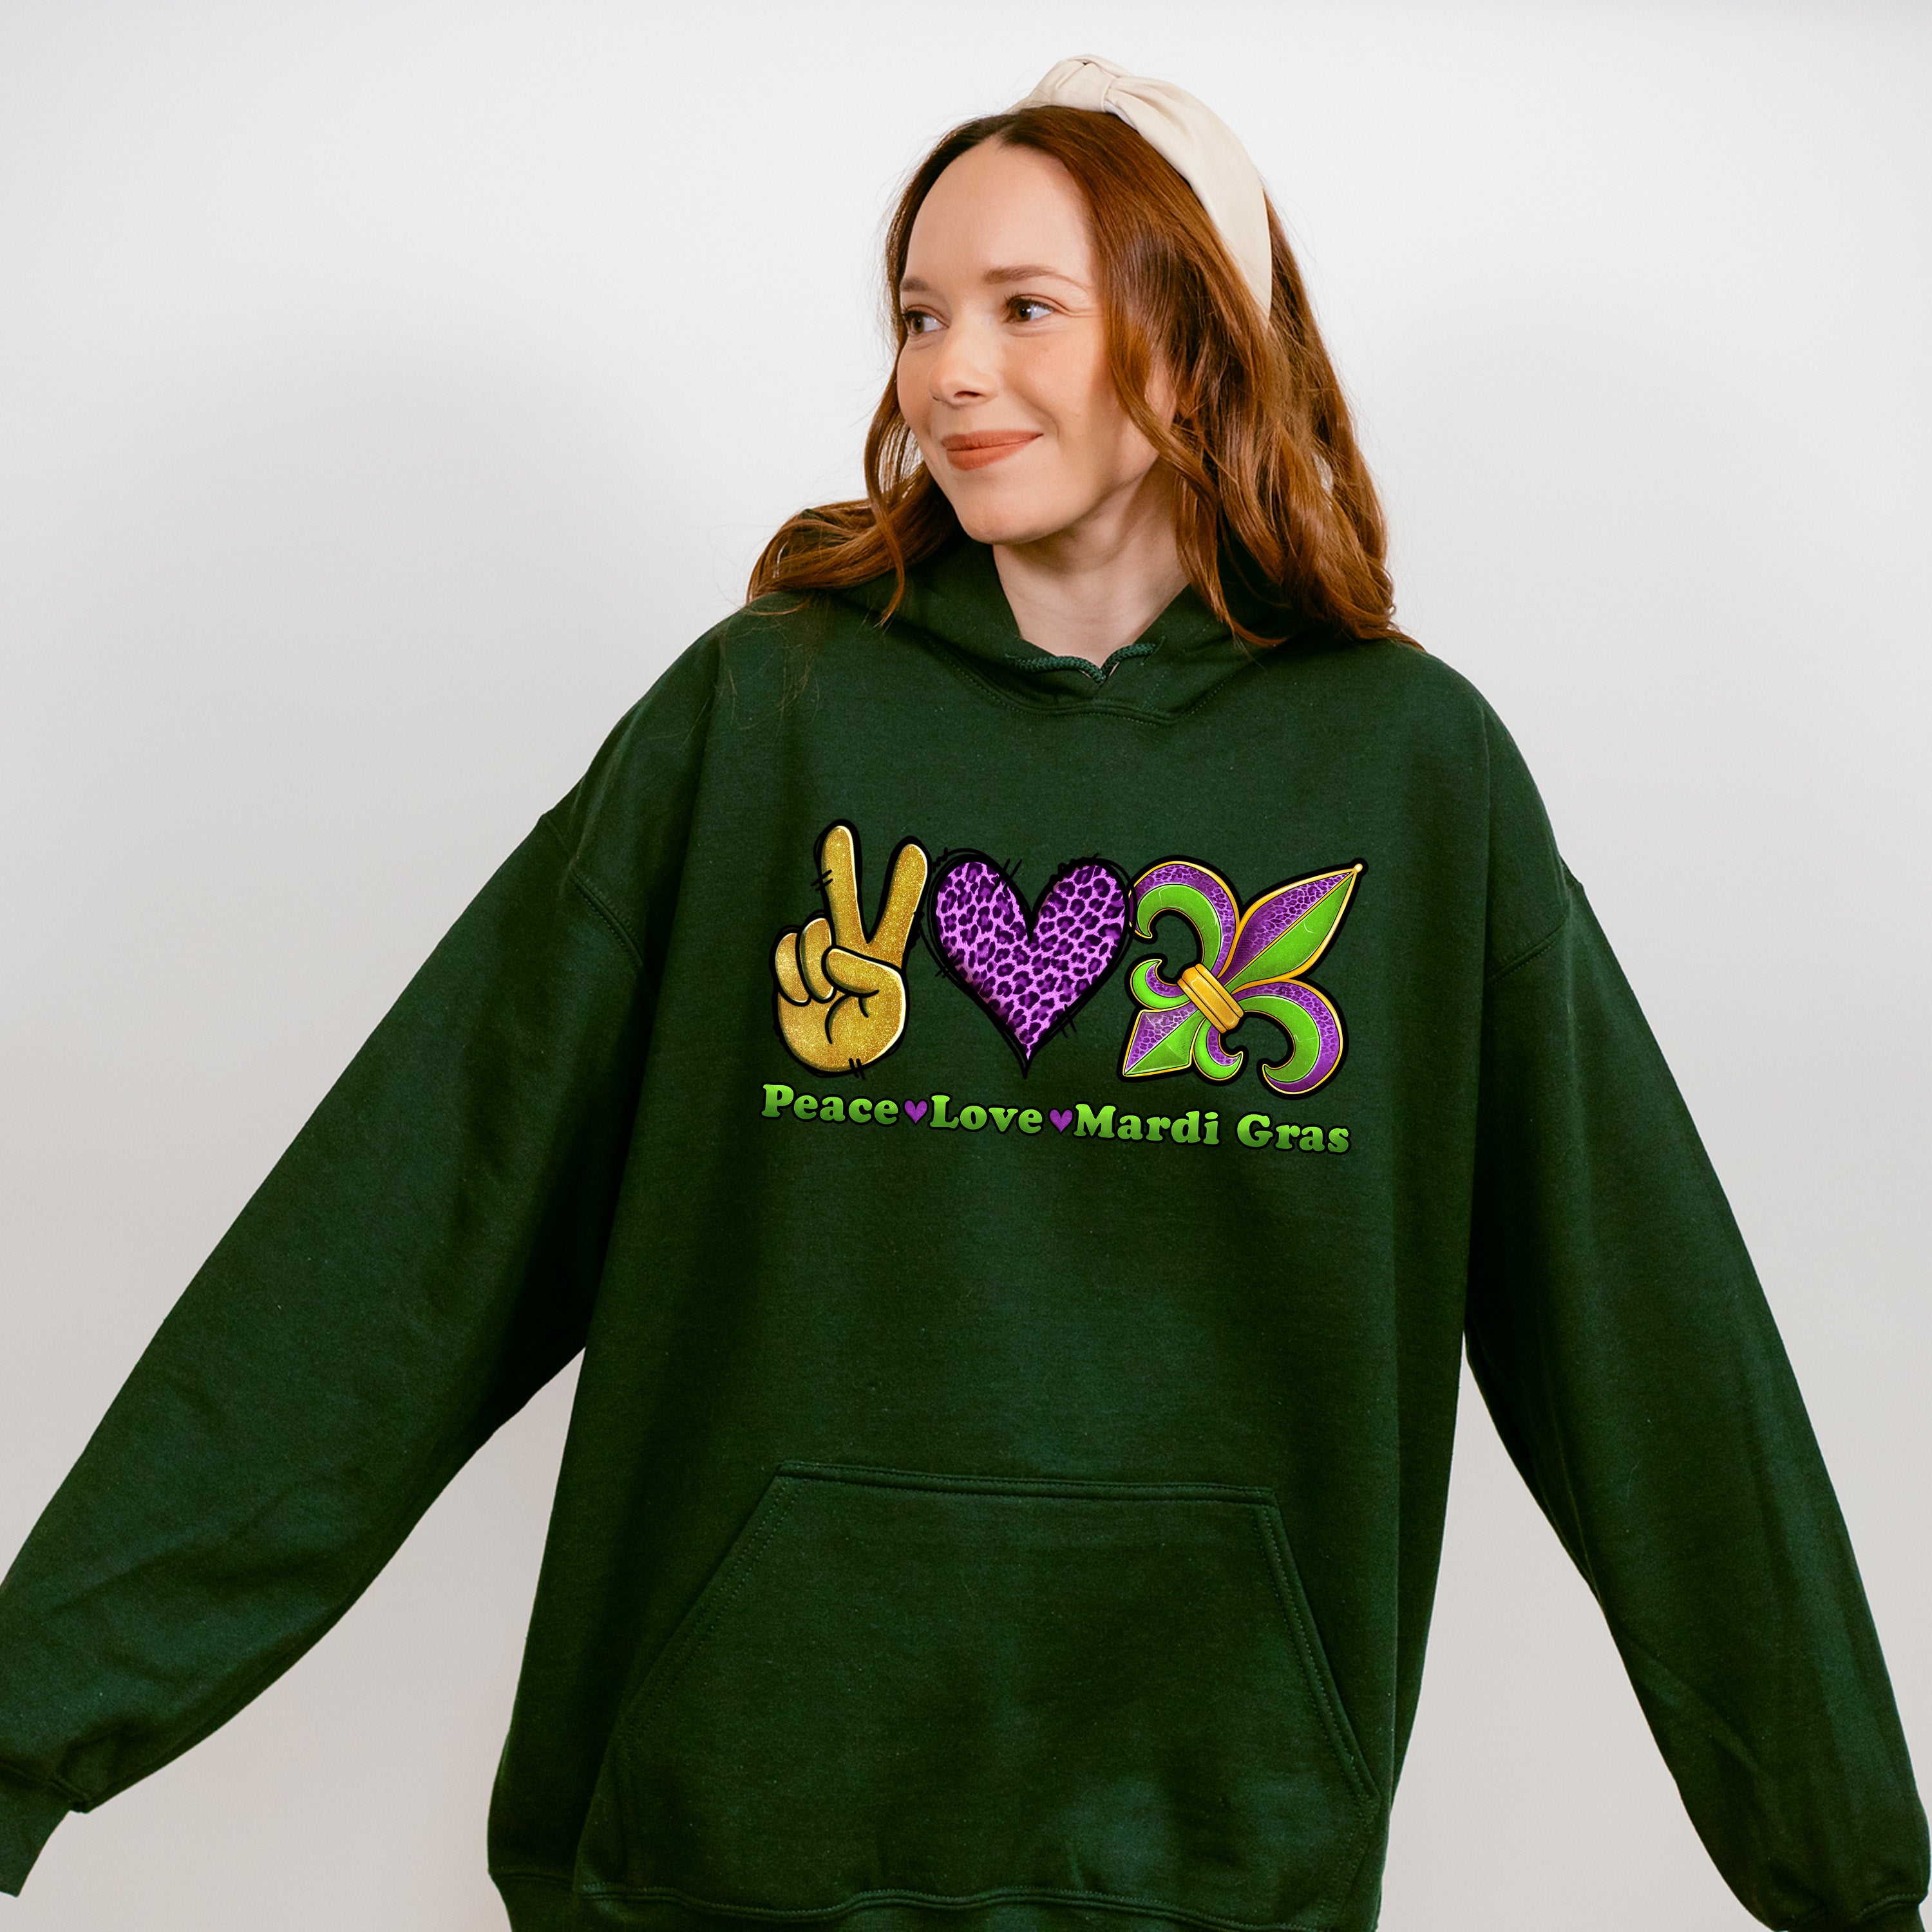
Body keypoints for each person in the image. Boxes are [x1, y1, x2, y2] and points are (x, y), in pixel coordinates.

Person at [0, 52, 1923, 1932]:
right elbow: (400, 1245)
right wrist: (27, 1726)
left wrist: (1845, 1869)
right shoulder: (763, 722)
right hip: (719, 1847)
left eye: (1025, 306)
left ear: (1196, 339)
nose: (950, 371)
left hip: (1209, 1859)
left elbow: (1645, 1336)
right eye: (922, 315)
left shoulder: (1414, 780)